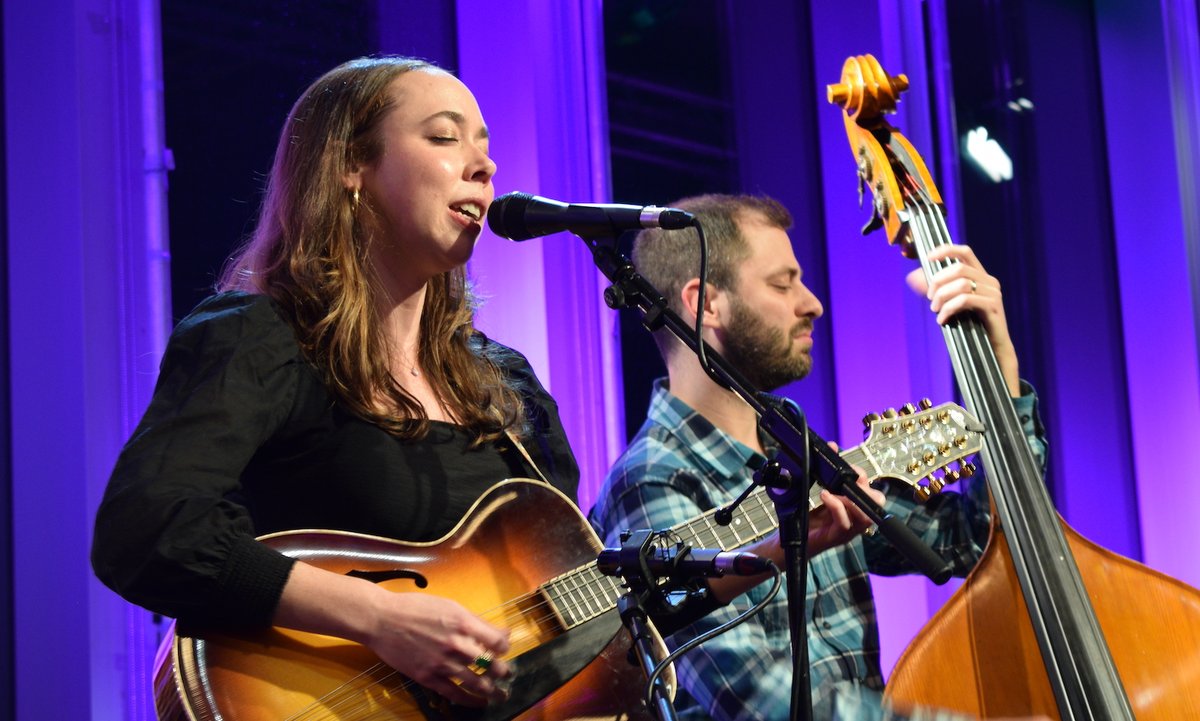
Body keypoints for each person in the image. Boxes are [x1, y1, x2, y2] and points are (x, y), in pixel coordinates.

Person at [90, 56, 576, 709]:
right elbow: (148, 527)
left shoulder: (505, 380)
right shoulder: (261, 338)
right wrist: (378, 616)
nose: (485, 166)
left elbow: (571, 591)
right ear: (351, 166)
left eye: (486, 147)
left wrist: (743, 562)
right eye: (443, 137)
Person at [587, 194, 1048, 721]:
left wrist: (999, 366)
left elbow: (974, 539)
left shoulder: (799, 456)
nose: (812, 303)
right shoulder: (652, 481)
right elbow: (759, 700)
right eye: (782, 284)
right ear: (704, 305)